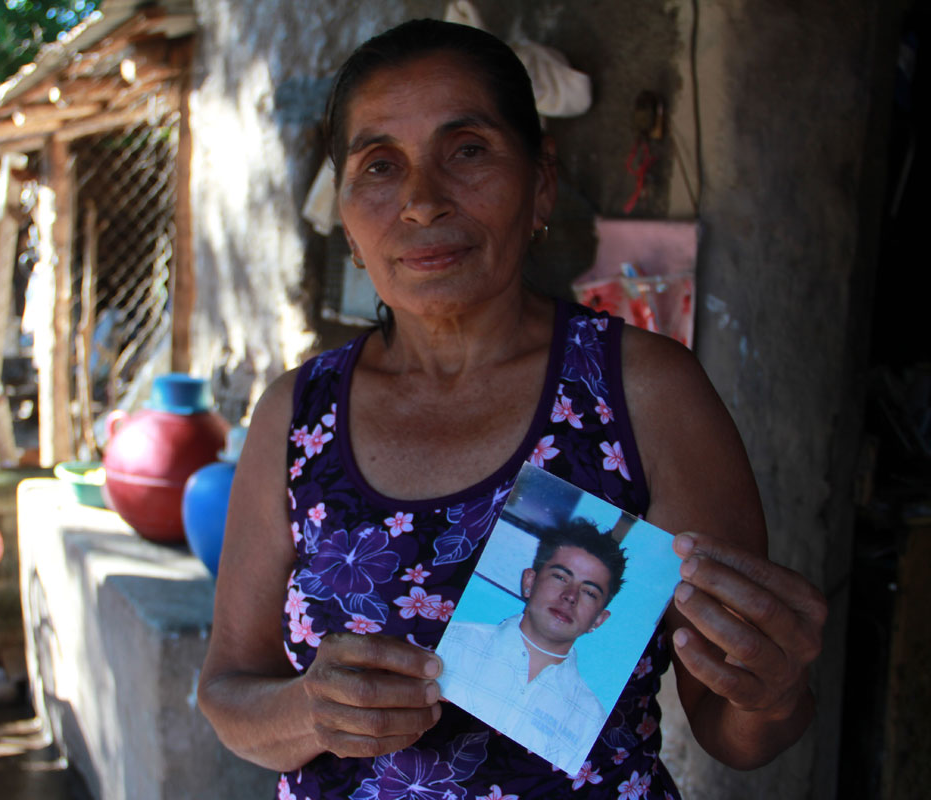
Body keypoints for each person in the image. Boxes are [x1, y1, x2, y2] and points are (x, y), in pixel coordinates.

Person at [198, 18, 827, 799]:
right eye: (380, 166)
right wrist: (311, 712)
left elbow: (732, 731)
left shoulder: (645, 396)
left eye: (467, 151)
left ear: (541, 186)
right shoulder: (298, 416)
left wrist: (772, 691)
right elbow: (228, 693)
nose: (423, 203)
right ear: (350, 227)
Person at [436, 519, 628, 776]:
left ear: (598, 620)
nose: (571, 596)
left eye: (589, 592)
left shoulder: (591, 719)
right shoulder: (452, 642)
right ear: (529, 581)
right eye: (561, 577)